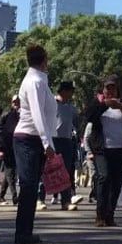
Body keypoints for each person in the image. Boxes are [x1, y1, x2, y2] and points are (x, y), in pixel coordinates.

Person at [12, 44, 58, 244]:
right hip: (28, 137)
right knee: (29, 186)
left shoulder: (40, 80)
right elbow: (38, 113)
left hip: (35, 138)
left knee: (31, 187)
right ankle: (22, 233)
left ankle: (26, 231)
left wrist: (48, 140)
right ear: (44, 59)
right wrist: (47, 143)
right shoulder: (35, 81)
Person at [84, 75, 122, 227]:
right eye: (107, 88)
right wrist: (105, 105)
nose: (110, 91)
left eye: (113, 88)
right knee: (104, 177)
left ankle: (110, 215)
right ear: (103, 89)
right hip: (102, 149)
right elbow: (88, 116)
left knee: (116, 182)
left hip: (121, 149)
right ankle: (100, 215)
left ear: (117, 88)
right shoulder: (98, 101)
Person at [48, 81, 84, 211]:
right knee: (47, 169)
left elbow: (77, 122)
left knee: (66, 172)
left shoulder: (71, 108)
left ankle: (66, 201)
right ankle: (40, 199)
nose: (72, 94)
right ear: (64, 90)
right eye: (70, 91)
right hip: (53, 140)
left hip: (67, 141)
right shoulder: (51, 103)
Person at [0, 95, 20, 205]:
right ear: (11, 103)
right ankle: (15, 196)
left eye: (18, 101)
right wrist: (0, 149)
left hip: (17, 148)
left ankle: (1, 196)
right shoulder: (6, 115)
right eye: (14, 102)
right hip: (7, 149)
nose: (16, 103)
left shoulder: (22, 115)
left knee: (9, 173)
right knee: (10, 172)